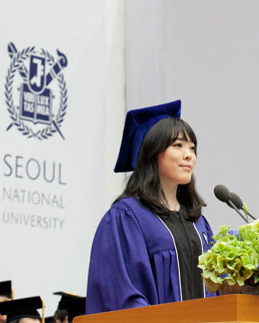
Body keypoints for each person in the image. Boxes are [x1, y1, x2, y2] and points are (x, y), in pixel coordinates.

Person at [86, 100, 218, 314]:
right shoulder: (127, 217)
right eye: (178, 145)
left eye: (192, 148)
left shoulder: (198, 222)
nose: (189, 155)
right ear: (151, 152)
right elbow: (122, 293)